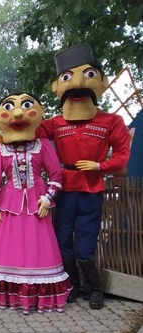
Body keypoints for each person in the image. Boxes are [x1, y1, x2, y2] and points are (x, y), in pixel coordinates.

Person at [37, 44, 131, 309]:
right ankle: (73, 286)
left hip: (92, 190)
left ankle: (95, 287)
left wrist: (100, 166)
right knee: (63, 239)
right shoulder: (55, 123)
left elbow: (123, 156)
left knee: (87, 242)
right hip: (63, 190)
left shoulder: (112, 122)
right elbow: (31, 134)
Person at [0, 92, 71, 314]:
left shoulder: (43, 145)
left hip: (37, 206)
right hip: (8, 206)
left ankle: (34, 295)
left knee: (37, 249)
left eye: (26, 105)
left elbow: (55, 176)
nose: (17, 112)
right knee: (6, 249)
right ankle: (6, 293)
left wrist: (47, 198)